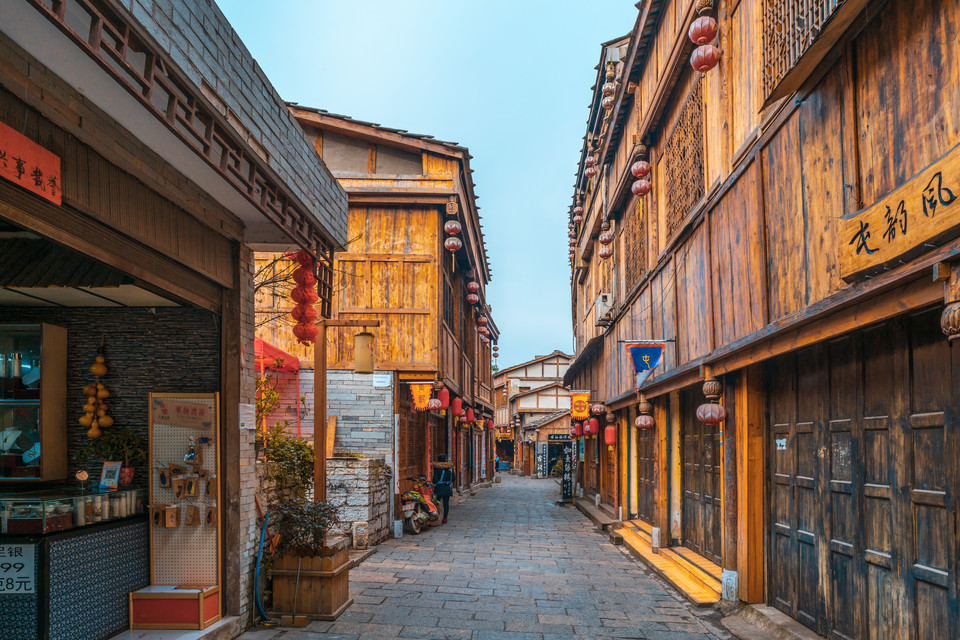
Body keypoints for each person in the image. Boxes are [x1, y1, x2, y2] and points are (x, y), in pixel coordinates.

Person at [432, 454, 455, 524]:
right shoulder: (450, 468)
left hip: (439, 488)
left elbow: (434, 480)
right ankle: (445, 518)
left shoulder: (437, 468)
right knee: (446, 504)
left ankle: (436, 516)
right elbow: (453, 479)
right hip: (447, 488)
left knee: (436, 503)